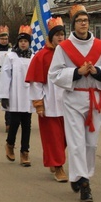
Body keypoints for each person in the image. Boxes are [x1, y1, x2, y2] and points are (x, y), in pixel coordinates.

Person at [49, 5, 101, 202]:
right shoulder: (63, 48)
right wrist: (77, 72)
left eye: (86, 20)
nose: (83, 23)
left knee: (91, 143)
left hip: (94, 98)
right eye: (79, 21)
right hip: (73, 98)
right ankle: (85, 183)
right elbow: (54, 74)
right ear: (73, 24)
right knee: (77, 142)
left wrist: (97, 72)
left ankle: (79, 175)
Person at [26, 17, 68, 182]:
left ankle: (53, 159)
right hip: (50, 103)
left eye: (62, 34)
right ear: (50, 37)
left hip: (68, 103)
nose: (60, 37)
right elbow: (36, 82)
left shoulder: (68, 55)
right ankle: (58, 166)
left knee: (67, 137)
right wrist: (39, 104)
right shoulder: (41, 56)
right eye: (56, 35)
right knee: (54, 137)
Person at [0, 25, 34, 166]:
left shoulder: (33, 56)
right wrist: (4, 96)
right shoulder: (11, 56)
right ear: (18, 42)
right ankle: (10, 144)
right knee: (14, 122)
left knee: (27, 124)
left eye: (25, 41)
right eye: (21, 41)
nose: (23, 43)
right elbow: (5, 76)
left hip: (29, 95)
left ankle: (25, 152)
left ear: (29, 42)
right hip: (15, 94)